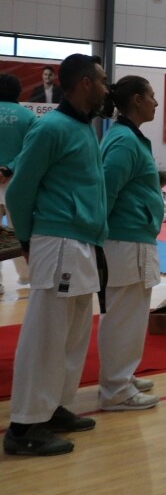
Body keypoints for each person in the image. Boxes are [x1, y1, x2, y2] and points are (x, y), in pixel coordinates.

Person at [3, 53, 108, 457]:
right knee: (46, 336)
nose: (106, 88)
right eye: (102, 80)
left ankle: (54, 408)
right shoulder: (49, 128)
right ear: (85, 83)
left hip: (81, 242)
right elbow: (18, 190)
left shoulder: (84, 128)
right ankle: (24, 426)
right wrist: (27, 241)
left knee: (74, 334)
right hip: (57, 242)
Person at [95, 76, 165, 413]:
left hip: (133, 236)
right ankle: (115, 388)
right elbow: (106, 190)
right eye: (152, 96)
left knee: (130, 315)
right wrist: (98, 237)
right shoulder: (124, 140)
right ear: (137, 100)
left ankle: (120, 376)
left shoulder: (128, 137)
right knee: (123, 315)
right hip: (125, 239)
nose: (156, 102)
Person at [0, 73, 34, 292]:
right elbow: (30, 150)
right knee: (19, 230)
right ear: (18, 92)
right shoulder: (27, 117)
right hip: (16, 182)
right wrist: (8, 168)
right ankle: (26, 276)